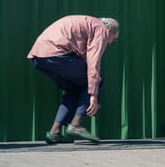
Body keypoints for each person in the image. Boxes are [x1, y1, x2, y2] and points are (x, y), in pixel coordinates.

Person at [27, 15, 120, 144]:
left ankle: (55, 132)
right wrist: (93, 94)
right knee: (97, 80)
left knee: (74, 90)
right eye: (114, 39)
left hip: (39, 56)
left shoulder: (88, 23)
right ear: (109, 31)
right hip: (57, 54)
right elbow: (93, 61)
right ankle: (76, 125)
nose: (110, 43)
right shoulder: (101, 29)